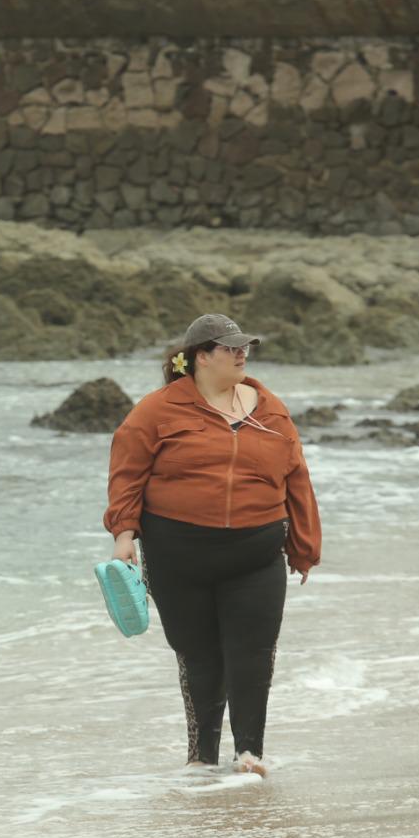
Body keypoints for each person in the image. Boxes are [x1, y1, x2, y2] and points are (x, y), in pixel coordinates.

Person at [104, 313, 322, 777]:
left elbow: (296, 477)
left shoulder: (269, 408)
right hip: (178, 555)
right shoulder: (158, 410)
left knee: (254, 652)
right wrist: (124, 535)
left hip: (255, 553)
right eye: (230, 348)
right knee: (199, 656)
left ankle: (249, 755)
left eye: (245, 347)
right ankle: (202, 759)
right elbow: (127, 475)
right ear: (201, 357)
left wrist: (303, 545)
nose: (242, 354)